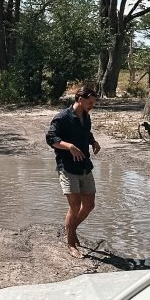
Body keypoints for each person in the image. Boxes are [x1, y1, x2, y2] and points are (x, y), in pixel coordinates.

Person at [46, 85, 101, 258]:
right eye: (90, 102)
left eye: (94, 103)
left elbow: (87, 132)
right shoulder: (62, 118)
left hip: (85, 165)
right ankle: (71, 244)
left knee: (90, 205)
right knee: (75, 205)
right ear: (80, 99)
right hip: (67, 166)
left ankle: (71, 229)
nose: (92, 105)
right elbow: (51, 138)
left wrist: (93, 142)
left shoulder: (86, 116)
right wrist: (69, 146)